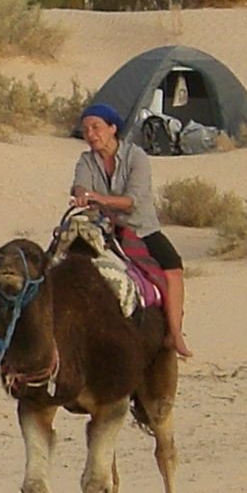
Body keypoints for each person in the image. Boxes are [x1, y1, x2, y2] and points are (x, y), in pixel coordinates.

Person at [73, 104, 190, 358]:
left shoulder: (136, 157)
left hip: (140, 228)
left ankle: (175, 332)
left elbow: (132, 201)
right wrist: (82, 194)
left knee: (173, 266)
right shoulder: (86, 160)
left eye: (96, 128)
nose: (91, 134)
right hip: (101, 229)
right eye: (86, 130)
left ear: (113, 128)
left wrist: (98, 198)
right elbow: (80, 185)